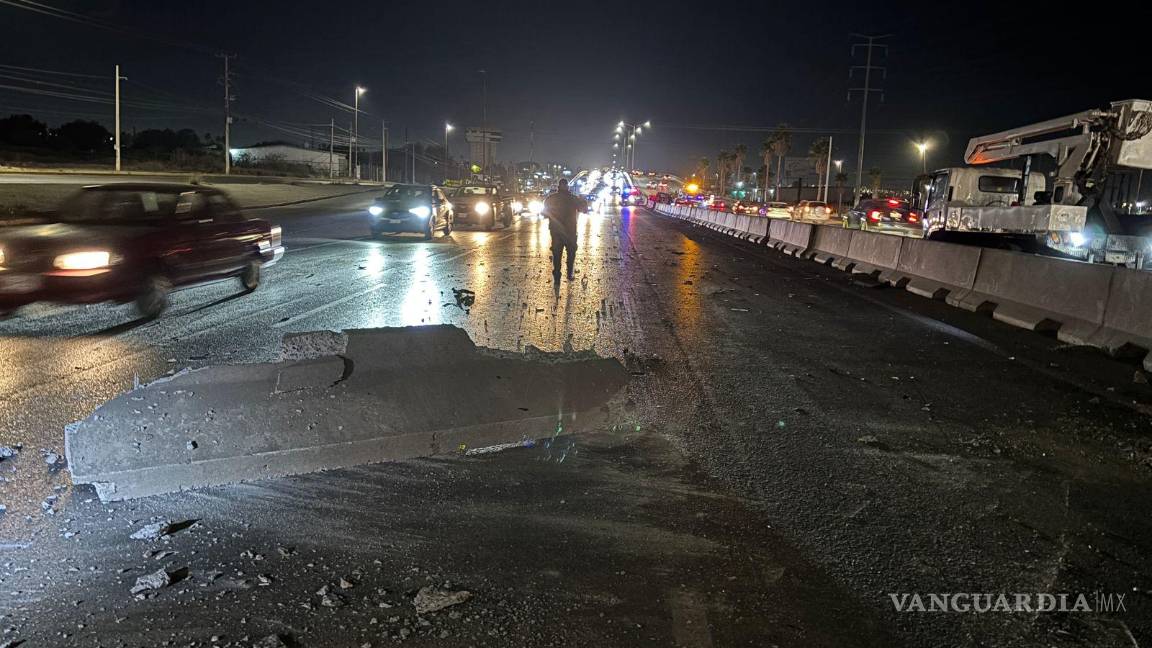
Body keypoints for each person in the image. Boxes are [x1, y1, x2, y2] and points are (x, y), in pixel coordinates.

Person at [542, 178, 587, 281]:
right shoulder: (573, 199)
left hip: (556, 231)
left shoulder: (550, 199)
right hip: (570, 231)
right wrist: (583, 200)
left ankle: (557, 274)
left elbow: (544, 213)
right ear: (567, 187)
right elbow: (584, 209)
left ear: (558, 186)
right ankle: (569, 273)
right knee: (571, 252)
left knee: (557, 253)